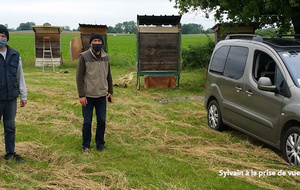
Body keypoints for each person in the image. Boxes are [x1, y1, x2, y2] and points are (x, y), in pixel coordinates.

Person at [76, 33, 113, 154]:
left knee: (101, 120)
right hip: (88, 96)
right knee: (87, 122)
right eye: (94, 41)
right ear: (91, 43)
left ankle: (100, 144)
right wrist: (81, 95)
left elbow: (109, 75)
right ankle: (85, 145)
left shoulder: (106, 57)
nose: (97, 43)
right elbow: (79, 76)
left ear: (102, 43)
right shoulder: (84, 57)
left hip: (102, 95)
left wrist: (110, 91)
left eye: (99, 41)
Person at [0, 24, 27, 162]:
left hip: (11, 98)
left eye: (3, 36)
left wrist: (23, 95)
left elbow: (19, 75)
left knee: (10, 127)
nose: (1, 38)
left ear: (7, 38)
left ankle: (10, 152)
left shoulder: (15, 55)